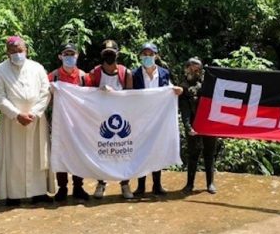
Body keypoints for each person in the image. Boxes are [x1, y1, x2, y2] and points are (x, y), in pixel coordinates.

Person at [0, 36, 54, 206]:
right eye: (13, 51)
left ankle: (39, 192)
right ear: (7, 52)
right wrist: (17, 114)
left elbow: (45, 92)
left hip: (36, 120)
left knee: (38, 155)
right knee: (13, 157)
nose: (17, 54)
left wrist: (34, 113)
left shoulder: (37, 68)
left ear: (26, 50)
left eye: (20, 50)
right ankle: (13, 194)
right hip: (12, 122)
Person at [131, 43, 183, 196]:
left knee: (157, 150)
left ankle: (157, 185)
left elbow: (169, 89)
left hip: (159, 120)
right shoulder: (134, 74)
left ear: (156, 56)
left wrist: (177, 90)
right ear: (140, 56)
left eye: (150, 54)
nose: (147, 57)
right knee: (140, 151)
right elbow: (128, 95)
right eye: (144, 54)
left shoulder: (164, 73)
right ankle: (141, 186)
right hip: (140, 120)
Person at [85, 39, 134, 199]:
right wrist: (99, 90)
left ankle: (125, 184)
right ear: (101, 55)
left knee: (123, 151)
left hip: (121, 118)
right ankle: (101, 183)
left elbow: (131, 96)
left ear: (117, 54)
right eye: (106, 54)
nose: (109, 56)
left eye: (111, 54)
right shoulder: (95, 73)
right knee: (102, 151)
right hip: (100, 119)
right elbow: (88, 95)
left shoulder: (125, 73)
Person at [48, 42, 90, 201]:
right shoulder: (53, 76)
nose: (69, 57)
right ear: (60, 56)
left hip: (79, 124)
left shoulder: (83, 77)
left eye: (72, 54)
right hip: (60, 123)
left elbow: (92, 98)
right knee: (61, 155)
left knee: (78, 153)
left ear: (77, 56)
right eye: (66, 54)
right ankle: (62, 188)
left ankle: (78, 187)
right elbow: (45, 96)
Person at [179, 58, 218, 194]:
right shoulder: (183, 87)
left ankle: (210, 183)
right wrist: (188, 126)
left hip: (209, 124)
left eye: (197, 69)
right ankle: (190, 184)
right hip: (194, 125)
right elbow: (185, 109)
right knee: (193, 155)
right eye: (191, 68)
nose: (193, 71)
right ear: (186, 68)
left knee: (209, 154)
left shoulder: (208, 85)